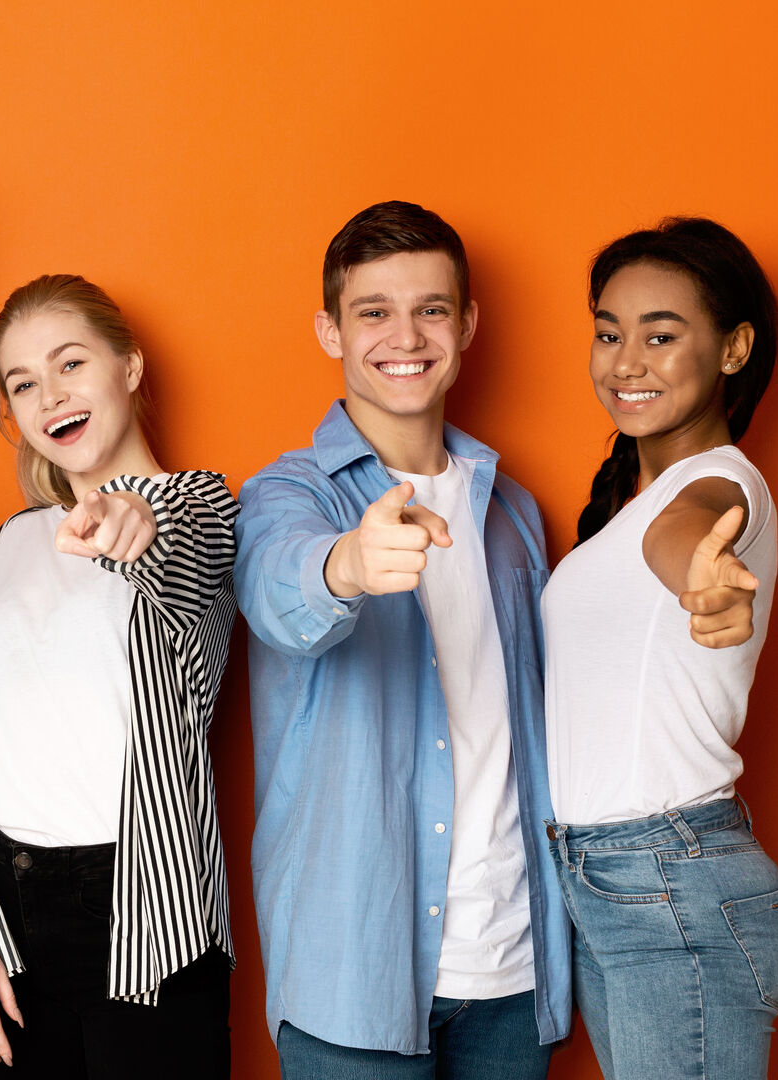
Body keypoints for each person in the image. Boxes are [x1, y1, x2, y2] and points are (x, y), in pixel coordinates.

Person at [232, 201, 570, 1078]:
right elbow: (278, 588)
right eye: (372, 311)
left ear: (466, 324)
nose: (404, 335)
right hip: (355, 976)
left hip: (514, 970)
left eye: (430, 308)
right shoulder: (286, 494)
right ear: (329, 331)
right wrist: (346, 564)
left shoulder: (514, 513)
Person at [0, 275, 237, 1079]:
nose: (49, 396)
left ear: (129, 367)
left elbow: (172, 542)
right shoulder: (9, 544)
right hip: (2, 913)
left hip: (146, 921)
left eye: (70, 365)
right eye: (23, 383)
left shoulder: (200, 509)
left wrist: (128, 512)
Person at [542, 217, 778, 1080]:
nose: (626, 361)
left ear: (733, 349)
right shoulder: (628, 510)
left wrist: (701, 571)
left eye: (661, 335)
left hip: (672, 883)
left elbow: (691, 531)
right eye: (609, 333)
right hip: (616, 882)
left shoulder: (720, 486)